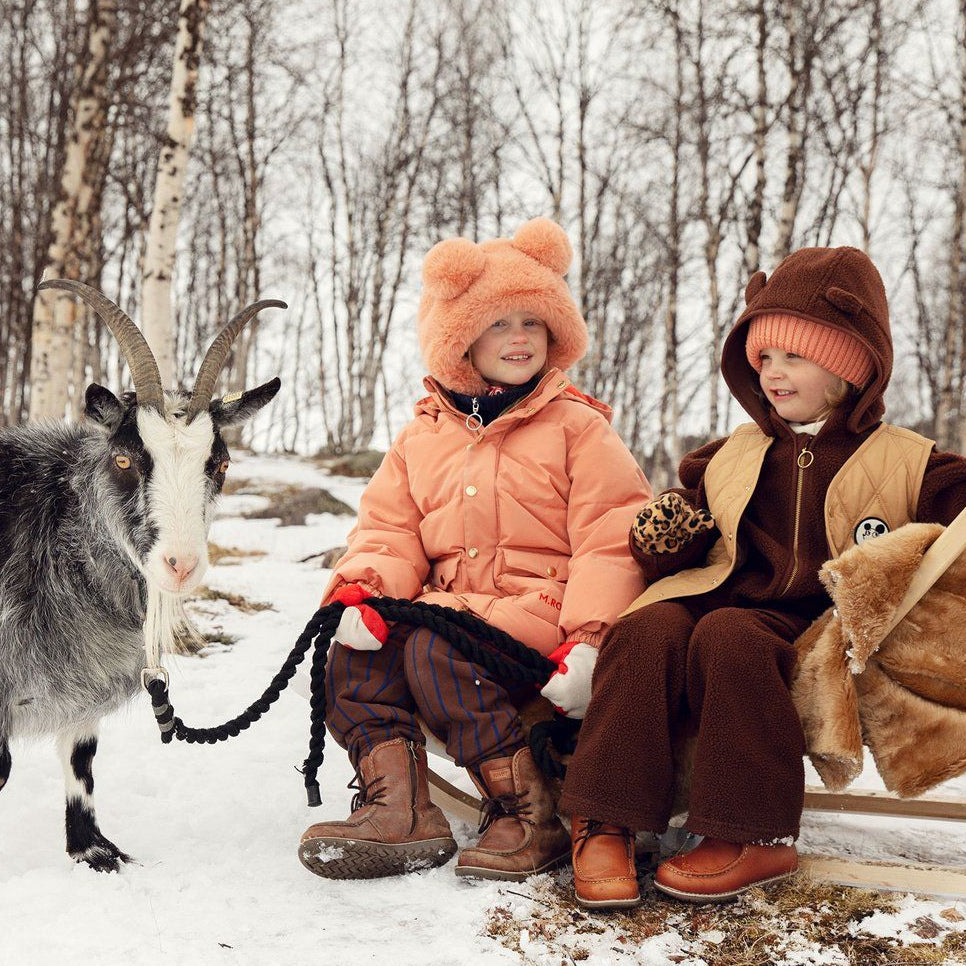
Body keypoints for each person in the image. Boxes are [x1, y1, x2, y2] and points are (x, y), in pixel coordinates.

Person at [560, 245, 966, 907]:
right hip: (720, 589)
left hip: (815, 622)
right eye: (763, 358)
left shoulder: (907, 461)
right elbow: (689, 526)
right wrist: (668, 535)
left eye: (794, 357)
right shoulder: (736, 451)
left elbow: (956, 523)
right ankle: (605, 814)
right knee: (648, 630)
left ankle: (755, 832)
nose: (774, 373)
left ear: (849, 365)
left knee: (732, 639)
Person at [298, 217, 651, 882]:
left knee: (439, 651)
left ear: (556, 335)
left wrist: (592, 637)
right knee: (355, 655)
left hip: (542, 610)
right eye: (498, 323)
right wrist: (365, 589)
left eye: (533, 322)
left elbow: (611, 538)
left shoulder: (578, 428)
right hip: (450, 605)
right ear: (459, 339)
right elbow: (388, 530)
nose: (519, 337)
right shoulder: (421, 438)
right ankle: (398, 808)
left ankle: (528, 812)